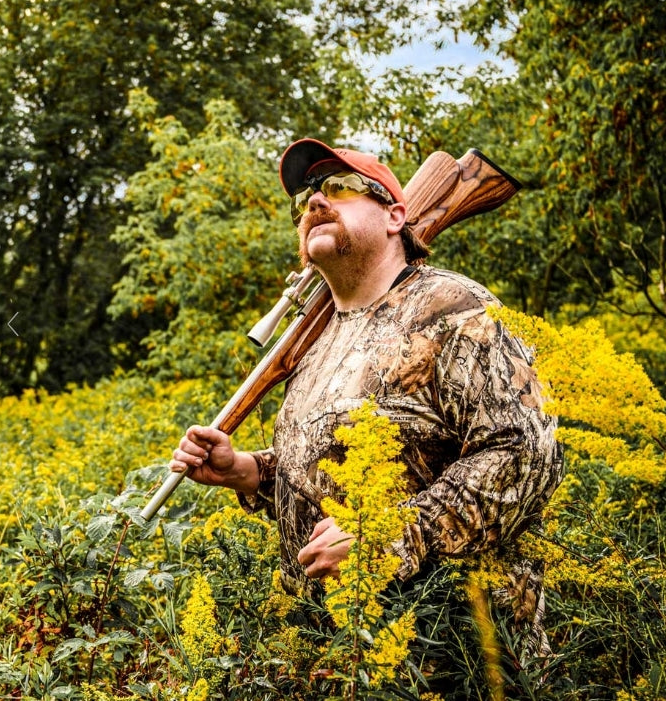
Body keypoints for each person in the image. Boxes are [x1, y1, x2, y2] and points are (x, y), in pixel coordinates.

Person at [170, 138, 564, 684]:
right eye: (304, 199)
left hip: (456, 657)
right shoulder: (319, 339)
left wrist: (386, 536)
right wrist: (247, 471)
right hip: (340, 659)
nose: (315, 201)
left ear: (396, 216)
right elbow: (327, 468)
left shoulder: (454, 309)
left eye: (340, 187)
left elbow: (526, 454)